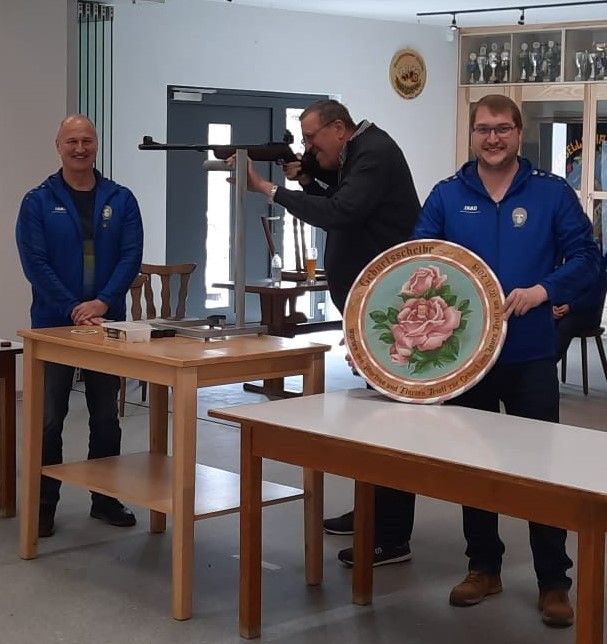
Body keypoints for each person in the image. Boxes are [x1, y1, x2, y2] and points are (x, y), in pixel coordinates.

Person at [412, 94, 601, 627]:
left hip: (530, 354)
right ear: (472, 135)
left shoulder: (550, 193)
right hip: (465, 358)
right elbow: (417, 259)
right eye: (482, 129)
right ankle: (483, 568)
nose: (492, 138)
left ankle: (554, 581)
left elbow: (587, 258)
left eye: (502, 129)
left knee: (542, 470)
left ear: (519, 133)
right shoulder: (447, 195)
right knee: (475, 468)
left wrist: (545, 290)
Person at [237, 99, 420, 567]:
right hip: (374, 309)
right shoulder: (360, 152)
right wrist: (308, 180)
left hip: (389, 309)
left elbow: (342, 211)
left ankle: (391, 536)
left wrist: (271, 190)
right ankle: (372, 511)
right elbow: (344, 199)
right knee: (376, 421)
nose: (309, 148)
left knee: (392, 424)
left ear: (339, 129)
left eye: (312, 139)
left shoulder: (373, 153)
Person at [16, 114, 144, 538]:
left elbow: (130, 256)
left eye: (87, 140)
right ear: (58, 146)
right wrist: (73, 308)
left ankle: (104, 499)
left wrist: (102, 302)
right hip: (53, 327)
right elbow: (35, 263)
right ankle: (43, 506)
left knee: (106, 416)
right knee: (49, 419)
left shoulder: (121, 199)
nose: (80, 148)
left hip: (107, 325)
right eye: (71, 141)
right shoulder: (37, 201)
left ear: (96, 146)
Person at [553, 253, 607, 362]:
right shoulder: (561, 258)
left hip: (587, 311)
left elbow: (594, 296)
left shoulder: (595, 260)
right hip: (563, 307)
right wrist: (552, 305)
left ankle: (549, 363)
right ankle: (535, 361)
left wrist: (571, 306)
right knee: (543, 319)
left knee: (565, 325)